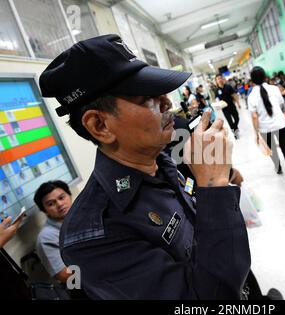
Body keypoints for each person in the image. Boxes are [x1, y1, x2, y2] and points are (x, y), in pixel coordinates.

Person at [39, 34, 250, 300]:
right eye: (147, 97)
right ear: (100, 126)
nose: (168, 103)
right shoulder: (92, 235)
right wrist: (214, 187)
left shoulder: (165, 159)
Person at [248, 67, 285, 192]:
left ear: (252, 80)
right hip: (281, 124)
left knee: (271, 149)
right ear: (265, 77)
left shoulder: (251, 96)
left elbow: (254, 116)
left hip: (265, 128)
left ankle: (278, 167)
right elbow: (280, 104)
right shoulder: (274, 89)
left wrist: (256, 133)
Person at [34, 181, 73, 283]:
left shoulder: (84, 213)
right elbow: (65, 276)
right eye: (51, 204)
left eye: (61, 198)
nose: (59, 204)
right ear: (44, 210)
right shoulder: (46, 238)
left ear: (69, 195)